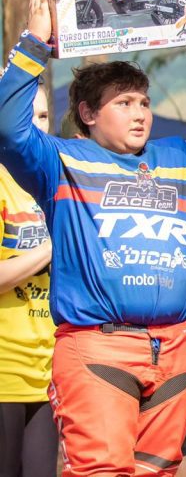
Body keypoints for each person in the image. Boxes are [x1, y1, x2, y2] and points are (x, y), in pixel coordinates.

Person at [0, 0, 186, 475]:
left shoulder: (183, 160)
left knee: (159, 472)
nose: (140, 112)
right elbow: (6, 128)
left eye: (142, 102)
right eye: (124, 103)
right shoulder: (60, 161)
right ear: (87, 114)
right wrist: (33, 43)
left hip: (177, 348)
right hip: (96, 347)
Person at [0, 80, 58, 477]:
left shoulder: (53, 182)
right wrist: (50, 249)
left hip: (49, 374)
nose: (35, 127)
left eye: (42, 116)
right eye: (25, 116)